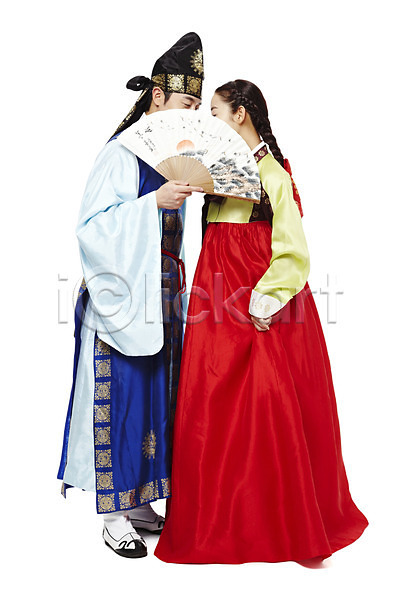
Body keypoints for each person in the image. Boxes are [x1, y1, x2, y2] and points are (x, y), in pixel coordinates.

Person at [154, 79, 368, 564]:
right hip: (214, 299)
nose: (209, 120)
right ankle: (219, 517)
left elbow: (293, 249)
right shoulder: (215, 173)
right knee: (212, 403)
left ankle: (276, 520)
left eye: (215, 111)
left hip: (256, 299)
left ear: (241, 114)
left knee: (270, 405)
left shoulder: (274, 173)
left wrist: (266, 298)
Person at [57, 32, 204, 559]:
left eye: (198, 107)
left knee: (155, 399)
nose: (192, 115)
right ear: (157, 97)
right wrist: (151, 205)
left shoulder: (174, 155)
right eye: (186, 102)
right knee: (120, 399)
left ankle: (141, 502)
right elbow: (91, 228)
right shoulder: (121, 153)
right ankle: (113, 514)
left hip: (161, 296)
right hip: (118, 296)